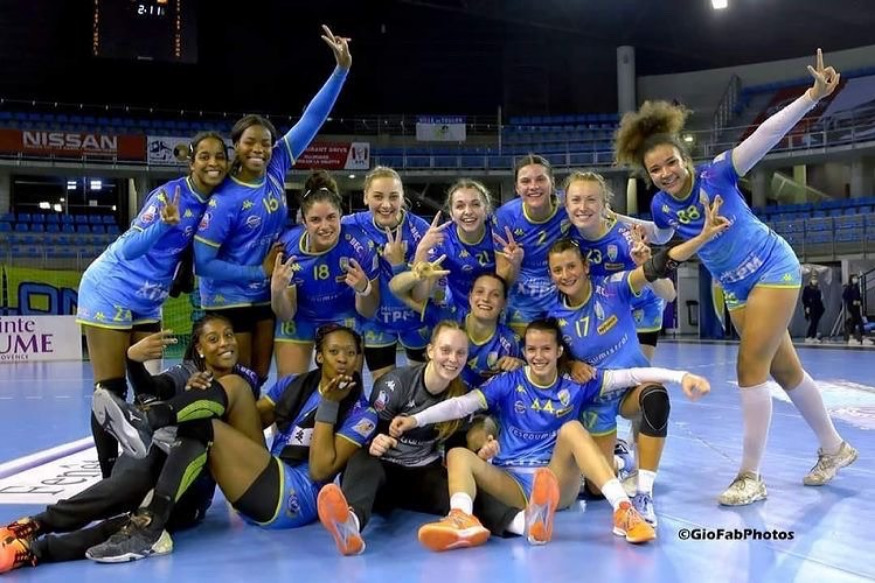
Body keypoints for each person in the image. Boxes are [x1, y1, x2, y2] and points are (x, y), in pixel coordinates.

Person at [613, 49, 856, 505]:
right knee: (785, 370)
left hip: (771, 267)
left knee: (749, 368)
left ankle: (750, 476)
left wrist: (812, 97)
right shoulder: (662, 205)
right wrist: (618, 221)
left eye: (670, 163)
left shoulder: (718, 174)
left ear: (685, 158)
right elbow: (662, 233)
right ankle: (834, 447)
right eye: (655, 170)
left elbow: (766, 134)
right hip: (735, 287)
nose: (665, 174)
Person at [392, 319, 710, 550]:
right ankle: (461, 518)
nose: (539, 356)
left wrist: (680, 376)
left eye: (546, 349)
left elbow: (631, 375)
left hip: (556, 479)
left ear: (559, 351)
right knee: (458, 454)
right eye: (531, 349)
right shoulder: (508, 382)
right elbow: (460, 405)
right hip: (512, 481)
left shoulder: (577, 382)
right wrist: (415, 419)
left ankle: (624, 511)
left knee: (571, 429)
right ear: (524, 351)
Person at [0, 315, 258, 571]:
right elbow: (152, 388)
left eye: (229, 335)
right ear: (199, 349)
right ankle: (33, 525)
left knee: (144, 521)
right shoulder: (186, 373)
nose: (224, 343)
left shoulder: (244, 381)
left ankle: (33, 551)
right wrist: (133, 361)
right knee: (125, 486)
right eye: (213, 339)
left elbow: (246, 434)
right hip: (155, 451)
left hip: (194, 478)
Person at [91, 324, 376, 541]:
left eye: (351, 353)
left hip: (293, 499)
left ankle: (153, 517)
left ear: (358, 360)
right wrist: (200, 394)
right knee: (234, 386)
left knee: (207, 427)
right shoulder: (295, 384)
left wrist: (329, 405)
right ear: (319, 356)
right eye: (334, 352)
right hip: (263, 474)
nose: (343, 359)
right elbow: (248, 416)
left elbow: (319, 469)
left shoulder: (363, 414)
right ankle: (147, 420)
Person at [545, 196, 726, 526]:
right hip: (597, 400)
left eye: (571, 266)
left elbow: (659, 266)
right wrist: (570, 365)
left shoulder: (613, 289)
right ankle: (621, 461)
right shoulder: (553, 315)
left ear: (585, 267)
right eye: (558, 270)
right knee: (596, 489)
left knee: (655, 395)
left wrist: (702, 237)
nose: (566, 275)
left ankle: (644, 494)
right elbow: (553, 355)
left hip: (630, 390)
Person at [194, 26, 352, 386]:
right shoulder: (224, 199)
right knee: (234, 381)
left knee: (260, 376)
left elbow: (311, 119)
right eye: (250, 142)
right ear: (236, 146)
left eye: (265, 143)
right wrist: (259, 272)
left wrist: (341, 70)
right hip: (228, 299)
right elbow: (203, 263)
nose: (259, 149)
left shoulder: (276, 166)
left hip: (264, 295)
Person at [76, 131, 228, 479]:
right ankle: (109, 481)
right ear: (192, 163)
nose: (213, 163)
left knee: (146, 388)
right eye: (204, 156)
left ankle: (139, 474)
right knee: (111, 390)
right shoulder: (169, 196)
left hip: (149, 297)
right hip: (112, 287)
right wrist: (163, 224)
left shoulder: (218, 203)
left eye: (219, 156)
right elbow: (130, 249)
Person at [316, 321, 520, 556]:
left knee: (462, 491)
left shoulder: (460, 397)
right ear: (430, 351)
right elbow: (367, 429)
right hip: (380, 475)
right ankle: (349, 527)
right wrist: (376, 441)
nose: (452, 359)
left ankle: (523, 523)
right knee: (361, 460)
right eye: (445, 350)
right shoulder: (395, 384)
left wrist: (480, 454)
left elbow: (454, 446)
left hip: (421, 477)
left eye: (460, 353)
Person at [271, 170, 380, 376]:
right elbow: (286, 314)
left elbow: (369, 311)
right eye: (315, 220)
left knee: (346, 388)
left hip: (344, 317)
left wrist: (364, 288)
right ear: (304, 222)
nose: (325, 226)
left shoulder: (360, 246)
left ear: (341, 215)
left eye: (331, 217)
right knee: (290, 389)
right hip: (300, 319)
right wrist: (277, 292)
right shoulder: (287, 247)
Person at [562, 171, 676, 362]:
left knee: (635, 374)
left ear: (604, 205)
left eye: (591, 200)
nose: (582, 207)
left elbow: (670, 294)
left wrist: (647, 265)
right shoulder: (566, 238)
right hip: (602, 311)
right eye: (576, 200)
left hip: (641, 309)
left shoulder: (627, 240)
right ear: (566, 206)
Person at [342, 166, 431, 379]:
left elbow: (423, 291)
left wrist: (401, 265)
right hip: (377, 320)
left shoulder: (421, 230)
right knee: (384, 387)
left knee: (421, 385)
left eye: (393, 196)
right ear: (365, 197)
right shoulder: (351, 225)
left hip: (415, 318)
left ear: (402, 197)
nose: (386, 205)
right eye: (378, 196)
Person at [390, 262, 524, 388]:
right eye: (480, 292)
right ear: (470, 297)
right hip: (441, 396)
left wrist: (520, 365)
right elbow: (396, 290)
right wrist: (415, 276)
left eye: (495, 295)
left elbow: (531, 372)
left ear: (504, 303)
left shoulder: (511, 341)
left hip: (484, 402)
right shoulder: (449, 316)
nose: (485, 299)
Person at [492, 154, 569, 336]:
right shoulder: (505, 217)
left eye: (540, 179)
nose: (533, 186)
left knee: (567, 348)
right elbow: (503, 281)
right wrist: (514, 263)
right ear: (517, 188)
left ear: (552, 183)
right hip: (522, 297)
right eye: (525, 181)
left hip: (563, 289)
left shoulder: (569, 206)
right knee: (525, 349)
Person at [413, 179, 496, 306]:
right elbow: (418, 295)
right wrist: (422, 250)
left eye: (475, 204)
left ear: (486, 210)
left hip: (491, 308)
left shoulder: (499, 233)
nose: (468, 211)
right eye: (460, 206)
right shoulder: (441, 241)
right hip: (455, 310)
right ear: (451, 214)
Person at [843, 274, 866, 345]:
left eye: (856, 278)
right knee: (859, 320)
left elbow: (859, 297)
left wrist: (860, 302)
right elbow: (845, 296)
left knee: (854, 320)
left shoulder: (856, 287)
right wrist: (852, 301)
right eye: (854, 278)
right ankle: (863, 336)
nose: (856, 279)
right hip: (851, 306)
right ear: (851, 279)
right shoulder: (849, 287)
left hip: (856, 306)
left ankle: (851, 337)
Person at [802, 276, 825, 344]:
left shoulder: (818, 289)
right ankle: (808, 336)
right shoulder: (807, 289)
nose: (814, 281)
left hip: (818, 308)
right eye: (813, 279)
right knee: (813, 322)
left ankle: (813, 336)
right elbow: (804, 298)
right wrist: (807, 306)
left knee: (816, 323)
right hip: (811, 307)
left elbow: (820, 299)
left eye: (815, 279)